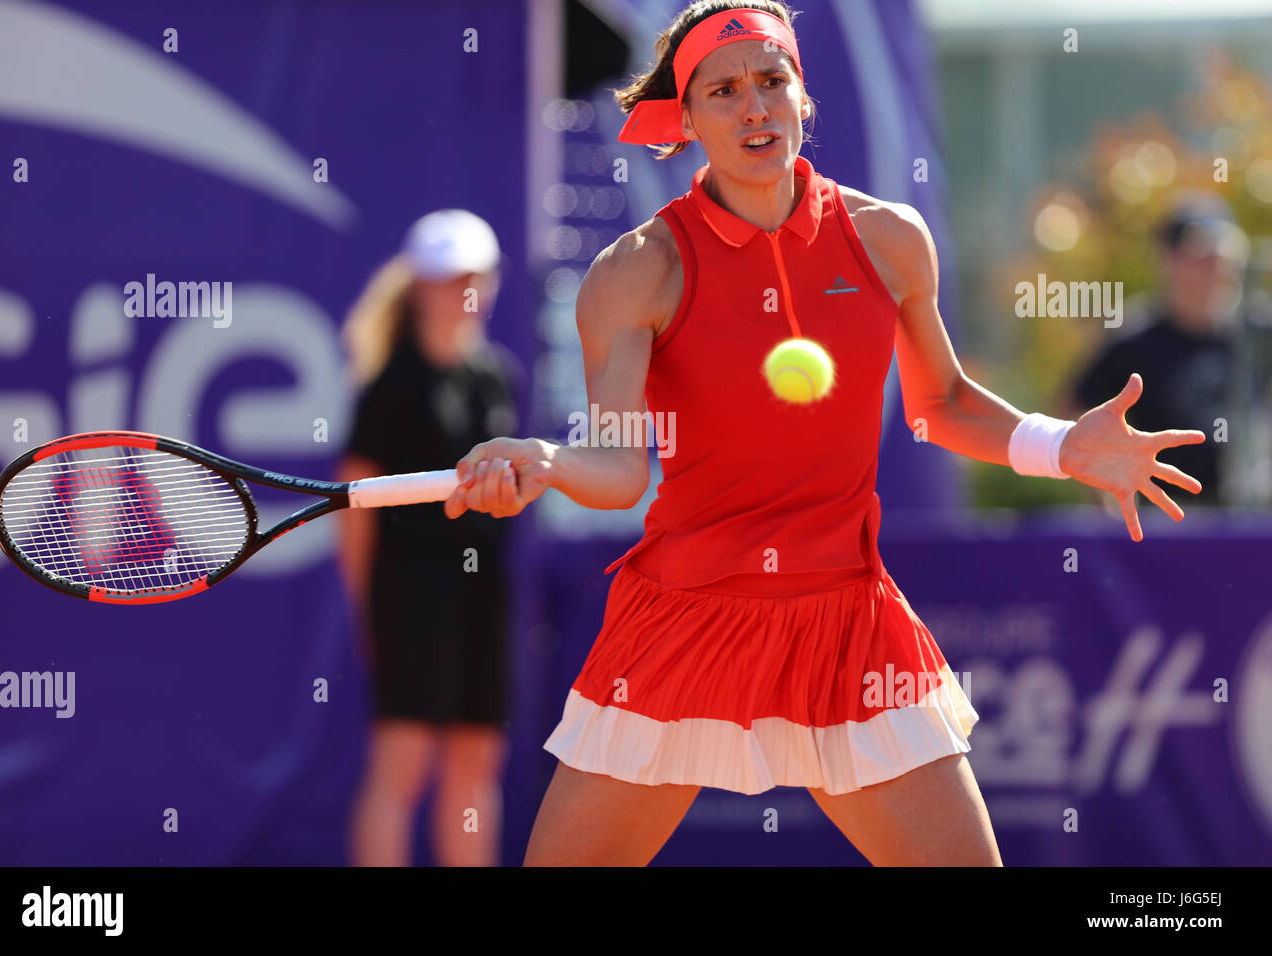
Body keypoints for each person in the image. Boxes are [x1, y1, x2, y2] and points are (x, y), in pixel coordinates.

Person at [444, 0, 1205, 866]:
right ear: (687, 118)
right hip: (687, 620)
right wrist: (546, 461)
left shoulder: (888, 239)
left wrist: (1063, 445)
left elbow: (942, 404)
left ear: (805, 96)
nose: (754, 106)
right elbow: (621, 468)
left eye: (773, 81)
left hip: (849, 621)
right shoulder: (635, 272)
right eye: (723, 90)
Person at [338, 209, 522, 866]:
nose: (464, 291)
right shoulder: (389, 387)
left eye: (475, 276)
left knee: (476, 759)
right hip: (410, 597)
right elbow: (355, 508)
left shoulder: (496, 377)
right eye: (448, 278)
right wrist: (368, 606)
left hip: (485, 595)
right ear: (419, 284)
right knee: (403, 764)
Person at [1069, 194, 1265, 507]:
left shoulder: (1259, 333)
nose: (1216, 266)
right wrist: (1106, 498)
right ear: (1169, 260)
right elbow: (1073, 411)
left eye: (1224, 254)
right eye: (1201, 254)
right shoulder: (1133, 339)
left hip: (1253, 519)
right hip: (1166, 524)